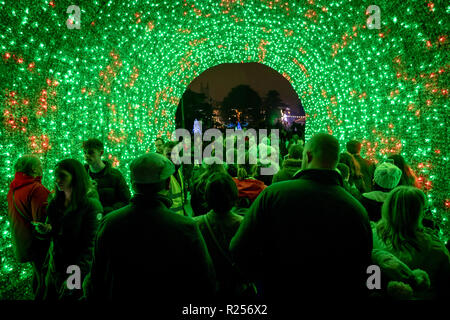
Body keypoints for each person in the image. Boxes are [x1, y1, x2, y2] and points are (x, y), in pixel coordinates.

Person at [230, 133, 373, 303]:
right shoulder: (356, 209)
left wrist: (264, 279)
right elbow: (364, 265)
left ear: (308, 155)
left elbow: (239, 247)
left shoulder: (273, 194)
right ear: (336, 160)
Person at [83, 153, 216, 300]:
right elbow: (205, 280)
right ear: (167, 184)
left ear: (133, 184)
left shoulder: (109, 223)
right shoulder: (186, 227)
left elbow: (96, 278)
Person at [34, 159, 102, 300]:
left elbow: (90, 247)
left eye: (63, 176)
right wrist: (46, 231)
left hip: (76, 268)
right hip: (55, 266)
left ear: (76, 177)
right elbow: (54, 232)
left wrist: (74, 278)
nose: (58, 180)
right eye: (56, 175)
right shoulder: (55, 202)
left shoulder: (90, 206)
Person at [372, 186, 450, 299]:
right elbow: (445, 289)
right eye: (423, 209)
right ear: (418, 214)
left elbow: (371, 282)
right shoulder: (436, 250)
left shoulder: (371, 237)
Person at [194, 173, 252, 299]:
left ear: (207, 196)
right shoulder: (243, 224)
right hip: (237, 289)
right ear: (233, 196)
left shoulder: (195, 225)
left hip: (208, 289)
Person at [7, 155, 50, 299]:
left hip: (23, 243)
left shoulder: (14, 189)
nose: (42, 167)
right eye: (40, 164)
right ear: (33, 169)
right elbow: (41, 221)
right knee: (45, 280)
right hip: (38, 246)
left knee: (38, 277)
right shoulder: (36, 189)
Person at [83, 138, 130, 216]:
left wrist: (106, 212)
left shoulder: (115, 175)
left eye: (91, 152)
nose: (87, 155)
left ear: (101, 153)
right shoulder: (82, 175)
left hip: (109, 221)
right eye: (85, 152)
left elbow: (125, 200)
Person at [163, 141, 188, 215]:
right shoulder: (163, 175)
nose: (172, 157)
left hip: (179, 217)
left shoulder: (179, 170)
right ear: (163, 155)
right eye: (168, 154)